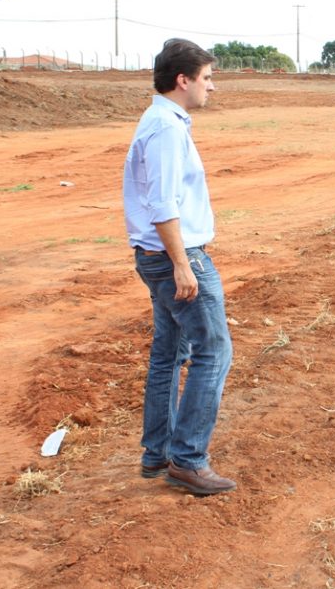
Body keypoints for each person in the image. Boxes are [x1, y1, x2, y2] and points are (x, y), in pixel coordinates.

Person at [122, 38, 235, 495]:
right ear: (182, 80)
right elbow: (162, 204)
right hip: (176, 256)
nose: (211, 87)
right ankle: (187, 459)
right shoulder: (167, 128)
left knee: (170, 354)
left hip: (156, 256)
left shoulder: (159, 120)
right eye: (206, 78)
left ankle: (157, 454)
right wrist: (184, 264)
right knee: (214, 352)